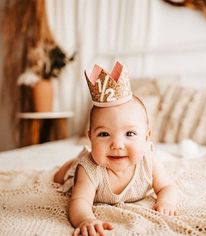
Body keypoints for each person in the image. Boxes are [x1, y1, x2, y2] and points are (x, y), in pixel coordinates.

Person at [54, 62, 179, 236]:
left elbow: (168, 186)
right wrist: (85, 219)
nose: (117, 145)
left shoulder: (148, 161)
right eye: (104, 134)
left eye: (130, 133)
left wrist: (166, 202)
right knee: (61, 176)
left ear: (146, 137)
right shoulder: (89, 169)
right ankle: (69, 165)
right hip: (77, 170)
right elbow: (79, 201)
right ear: (90, 137)